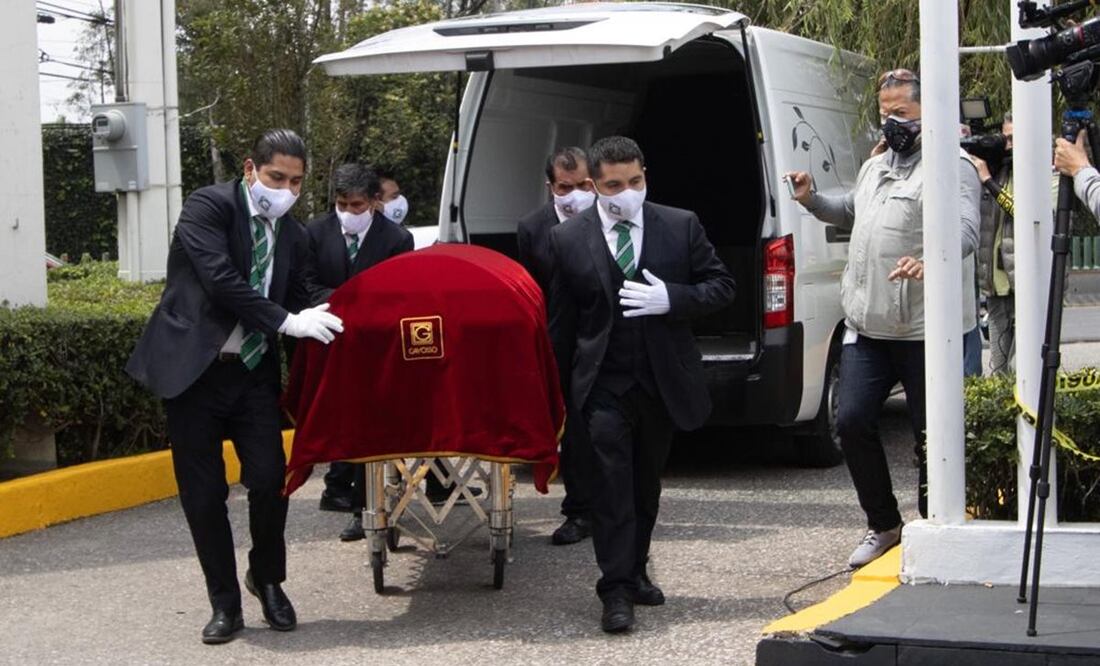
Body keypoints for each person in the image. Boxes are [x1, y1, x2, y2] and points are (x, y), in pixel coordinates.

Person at [126, 129, 344, 644]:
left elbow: (307, 292)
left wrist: (374, 300)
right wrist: (286, 322)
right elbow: (221, 279)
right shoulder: (209, 207)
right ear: (251, 169)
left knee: (270, 480)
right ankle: (224, 604)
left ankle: (266, 579)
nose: (285, 190)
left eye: (295, 182)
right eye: (276, 178)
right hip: (194, 372)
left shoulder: (292, 235)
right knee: (203, 495)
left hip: (251, 375)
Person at [785, 69, 980, 569]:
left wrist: (928, 257)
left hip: (925, 331)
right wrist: (810, 198)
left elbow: (966, 231)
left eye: (901, 113)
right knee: (850, 422)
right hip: (868, 328)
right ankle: (883, 524)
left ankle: (934, 526)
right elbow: (850, 209)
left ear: (927, 115)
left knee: (930, 434)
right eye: (885, 112)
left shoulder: (951, 166)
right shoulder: (876, 167)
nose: (890, 122)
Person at [548, 136, 735, 633]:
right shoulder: (568, 239)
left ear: (645, 175)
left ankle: (635, 568)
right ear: (594, 185)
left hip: (660, 379)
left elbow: (722, 286)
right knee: (611, 487)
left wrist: (672, 298)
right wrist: (557, 395)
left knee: (644, 484)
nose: (626, 192)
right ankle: (615, 590)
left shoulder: (680, 225)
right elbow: (562, 324)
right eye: (613, 185)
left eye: (635, 181)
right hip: (602, 385)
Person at [307, 163, 414, 542]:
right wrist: (343, 307)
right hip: (331, 344)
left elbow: (397, 293)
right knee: (346, 428)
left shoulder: (396, 239)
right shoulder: (315, 233)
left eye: (356, 205)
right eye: (342, 204)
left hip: (376, 349)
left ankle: (369, 507)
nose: (348, 212)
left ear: (373, 202)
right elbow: (307, 284)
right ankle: (351, 499)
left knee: (372, 428)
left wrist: (360, 311)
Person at [517, 146, 597, 546]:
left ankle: (616, 505)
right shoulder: (533, 228)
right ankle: (579, 511)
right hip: (561, 340)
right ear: (551, 187)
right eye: (566, 187)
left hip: (608, 336)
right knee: (576, 427)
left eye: (584, 184)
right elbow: (531, 292)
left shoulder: (610, 216)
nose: (577, 193)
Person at [970, 113, 1016, 375]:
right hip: (997, 289)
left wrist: (988, 180)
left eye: (1013, 139)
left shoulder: (1047, 172)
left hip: (1026, 289)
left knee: (1021, 367)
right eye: (1004, 138)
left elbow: (1023, 211)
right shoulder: (999, 170)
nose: (1007, 144)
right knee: (999, 370)